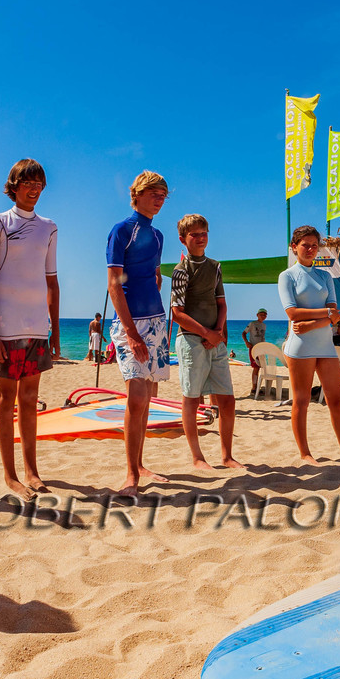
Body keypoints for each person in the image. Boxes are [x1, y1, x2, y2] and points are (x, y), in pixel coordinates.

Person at [0, 159, 61, 500]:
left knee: (30, 400)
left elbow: (52, 283)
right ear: (13, 185)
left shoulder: (49, 227)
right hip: (6, 327)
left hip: (36, 328)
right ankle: (10, 475)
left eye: (39, 183)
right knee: (4, 400)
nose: (34, 188)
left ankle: (31, 471)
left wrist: (55, 330)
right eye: (27, 182)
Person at [106, 170, 172, 495]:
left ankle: (141, 464)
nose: (159, 199)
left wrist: (160, 325)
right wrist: (131, 331)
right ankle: (130, 474)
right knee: (135, 397)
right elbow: (114, 284)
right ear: (137, 195)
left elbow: (156, 277)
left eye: (163, 195)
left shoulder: (159, 236)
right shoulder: (121, 231)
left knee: (148, 398)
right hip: (129, 323)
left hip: (157, 321)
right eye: (153, 193)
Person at [277, 225, 340, 464]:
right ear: (294, 247)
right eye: (305, 245)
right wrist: (326, 315)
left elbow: (336, 314)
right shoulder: (287, 276)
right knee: (301, 401)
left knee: (336, 399)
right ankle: (305, 453)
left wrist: (312, 324)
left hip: (324, 344)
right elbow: (292, 312)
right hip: (300, 346)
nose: (310, 249)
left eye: (314, 245)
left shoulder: (325, 276)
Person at [169, 213, 241, 471]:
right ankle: (197, 457)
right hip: (190, 340)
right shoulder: (180, 271)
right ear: (183, 239)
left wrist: (218, 332)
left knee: (227, 399)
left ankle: (227, 455)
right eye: (194, 235)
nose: (200, 238)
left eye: (204, 233)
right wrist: (206, 333)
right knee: (192, 397)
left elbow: (221, 303)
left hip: (216, 340)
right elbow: (177, 313)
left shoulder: (215, 266)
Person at [242, 307, 269, 393]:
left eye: (265, 315)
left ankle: (256, 387)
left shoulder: (264, 325)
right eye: (261, 314)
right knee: (256, 367)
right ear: (257, 315)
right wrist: (246, 342)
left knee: (260, 367)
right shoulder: (252, 324)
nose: (263, 316)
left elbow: (262, 337)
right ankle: (254, 388)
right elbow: (243, 333)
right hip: (254, 348)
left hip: (261, 349)